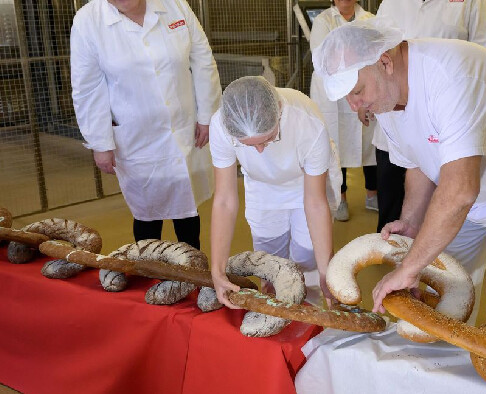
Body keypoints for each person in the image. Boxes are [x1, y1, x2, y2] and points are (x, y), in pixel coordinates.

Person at [312, 18, 486, 320]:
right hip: (465, 188)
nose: (356, 106)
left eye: (357, 91)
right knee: (447, 290)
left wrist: (409, 267)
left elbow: (460, 191)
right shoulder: (385, 95)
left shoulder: (451, 75)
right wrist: (411, 223)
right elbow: (419, 161)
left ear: (385, 62)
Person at [71, 0, 221, 249]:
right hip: (136, 136)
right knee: (147, 212)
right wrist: (100, 142)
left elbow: (203, 61)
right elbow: (87, 88)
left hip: (184, 129)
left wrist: (207, 115)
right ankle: (149, 271)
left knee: (186, 207)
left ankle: (194, 271)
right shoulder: (88, 20)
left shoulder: (175, 5)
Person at [208, 76, 340, 308]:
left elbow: (315, 202)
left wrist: (325, 271)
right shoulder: (221, 125)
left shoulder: (308, 125)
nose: (259, 151)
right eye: (249, 145)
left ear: (279, 111)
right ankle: (276, 310)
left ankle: (308, 311)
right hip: (262, 186)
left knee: (307, 257)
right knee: (269, 260)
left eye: (268, 139)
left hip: (306, 184)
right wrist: (217, 271)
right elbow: (224, 201)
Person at [366, 0, 486, 232]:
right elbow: (374, 52)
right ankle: (392, 253)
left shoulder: (472, 3)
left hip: (444, 119)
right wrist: (366, 97)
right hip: (393, 114)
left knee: (442, 198)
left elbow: (482, 57)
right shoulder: (390, 3)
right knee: (390, 192)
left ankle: (427, 255)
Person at [310, 0, 377, 222]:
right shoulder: (323, 21)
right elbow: (322, 56)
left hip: (364, 87)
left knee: (370, 142)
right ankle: (341, 198)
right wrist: (354, 57)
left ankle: (372, 195)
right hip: (334, 97)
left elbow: (373, 54)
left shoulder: (369, 19)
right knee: (337, 145)